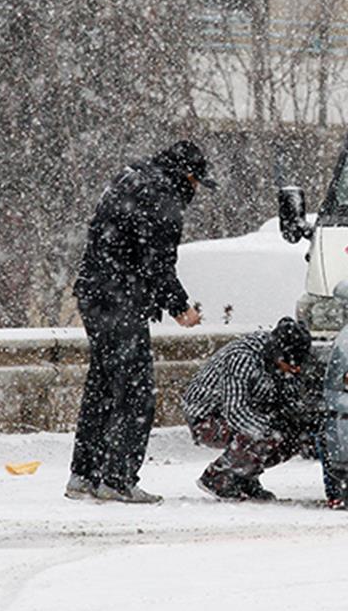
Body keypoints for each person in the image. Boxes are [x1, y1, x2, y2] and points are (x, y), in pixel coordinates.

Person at [65, 140, 215, 503]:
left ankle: (84, 474)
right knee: (135, 392)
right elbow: (157, 263)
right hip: (120, 301)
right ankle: (117, 480)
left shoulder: (128, 179)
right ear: (188, 176)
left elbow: (109, 242)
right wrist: (181, 309)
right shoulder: (163, 198)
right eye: (197, 183)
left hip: (93, 295)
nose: (196, 192)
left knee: (102, 386)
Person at [181, 317, 312, 501]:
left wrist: (301, 420)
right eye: (291, 365)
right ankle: (218, 477)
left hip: (253, 410)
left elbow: (290, 400)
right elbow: (235, 412)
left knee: (294, 435)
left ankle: (244, 477)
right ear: (278, 354)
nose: (296, 370)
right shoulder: (242, 358)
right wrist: (269, 428)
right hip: (208, 416)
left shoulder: (284, 360)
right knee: (265, 434)